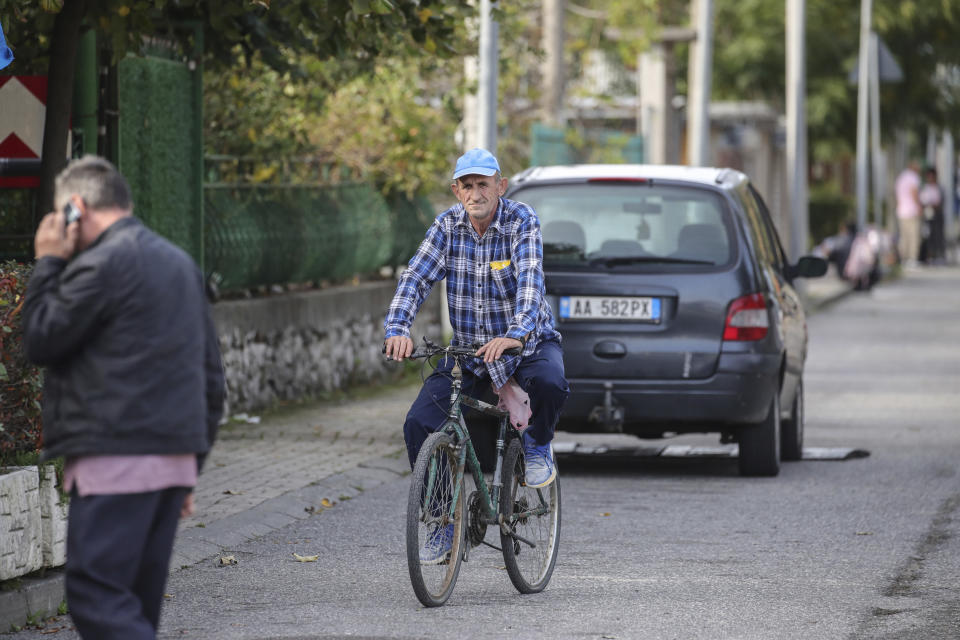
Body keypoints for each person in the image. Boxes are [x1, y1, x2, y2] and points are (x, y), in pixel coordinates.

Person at [22, 156, 225, 639]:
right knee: (135, 605)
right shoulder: (178, 263)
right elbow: (211, 379)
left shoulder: (102, 263)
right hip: (173, 460)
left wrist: (48, 260)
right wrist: (190, 466)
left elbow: (41, 339)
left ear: (76, 207)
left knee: (96, 595)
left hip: (116, 457)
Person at [383, 148, 569, 563]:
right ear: (456, 190)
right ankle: (442, 520)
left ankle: (537, 445)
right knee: (419, 422)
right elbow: (415, 277)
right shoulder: (446, 227)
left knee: (551, 384)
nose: (475, 192)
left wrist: (515, 335)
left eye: (483, 183)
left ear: (500, 186)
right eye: (466, 185)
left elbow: (530, 283)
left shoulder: (522, 220)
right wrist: (397, 328)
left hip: (527, 346)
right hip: (469, 354)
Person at [894, 161, 923, 267]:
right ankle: (912, 259)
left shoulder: (901, 178)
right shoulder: (913, 177)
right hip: (912, 210)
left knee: (904, 236)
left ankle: (903, 258)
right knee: (914, 236)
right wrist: (919, 206)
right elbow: (914, 192)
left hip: (902, 211)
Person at [919, 166, 945, 264]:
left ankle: (939, 256)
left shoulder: (939, 188)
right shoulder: (925, 188)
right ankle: (929, 256)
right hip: (927, 215)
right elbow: (922, 200)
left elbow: (941, 202)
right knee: (928, 236)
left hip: (937, 216)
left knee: (938, 235)